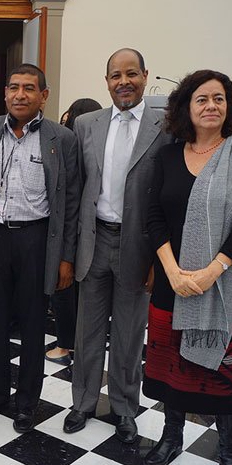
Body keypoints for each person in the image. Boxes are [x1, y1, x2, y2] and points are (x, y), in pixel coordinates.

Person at [142, 70, 232, 465]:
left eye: (219, 99)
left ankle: (231, 453)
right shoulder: (167, 155)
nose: (211, 106)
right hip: (171, 282)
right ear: (186, 107)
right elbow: (154, 217)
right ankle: (172, 436)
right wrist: (172, 269)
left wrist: (211, 272)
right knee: (170, 370)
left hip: (221, 287)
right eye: (202, 99)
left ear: (229, 107)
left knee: (222, 376)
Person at [64, 48, 172, 443]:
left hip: (138, 247)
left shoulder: (166, 125)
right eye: (115, 75)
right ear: (106, 81)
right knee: (86, 332)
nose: (123, 82)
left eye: (131, 74)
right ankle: (83, 403)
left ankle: (125, 408)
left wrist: (160, 259)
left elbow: (169, 195)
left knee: (129, 335)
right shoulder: (86, 124)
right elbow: (75, 190)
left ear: (145, 76)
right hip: (94, 242)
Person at [0, 63, 79, 433]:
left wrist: (66, 257)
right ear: (5, 92)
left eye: (29, 88)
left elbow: (72, 201)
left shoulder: (61, 139)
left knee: (33, 326)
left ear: (43, 96)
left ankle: (27, 404)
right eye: (13, 87)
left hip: (37, 240)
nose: (20, 95)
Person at [46, 97, 102, 366]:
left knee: (63, 288)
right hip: (95, 230)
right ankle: (83, 343)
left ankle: (65, 344)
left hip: (67, 227)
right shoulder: (97, 146)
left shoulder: (66, 145)